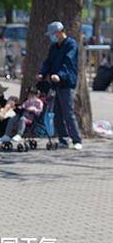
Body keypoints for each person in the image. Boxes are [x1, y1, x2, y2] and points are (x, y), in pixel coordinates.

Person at [38, 21, 83, 150]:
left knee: (68, 112)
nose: (51, 37)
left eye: (52, 34)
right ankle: (63, 139)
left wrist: (60, 75)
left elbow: (68, 63)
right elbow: (48, 62)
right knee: (57, 113)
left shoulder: (71, 44)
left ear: (58, 33)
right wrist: (42, 73)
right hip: (55, 83)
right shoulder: (54, 47)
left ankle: (76, 140)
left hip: (66, 83)